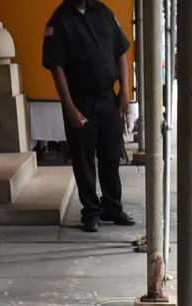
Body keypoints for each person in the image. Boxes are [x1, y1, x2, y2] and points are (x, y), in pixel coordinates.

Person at [43, 0, 134, 231]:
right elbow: (57, 68)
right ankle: (91, 211)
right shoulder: (59, 21)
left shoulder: (103, 12)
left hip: (108, 98)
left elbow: (120, 52)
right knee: (83, 159)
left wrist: (124, 92)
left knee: (111, 155)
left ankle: (113, 207)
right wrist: (70, 107)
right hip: (80, 100)